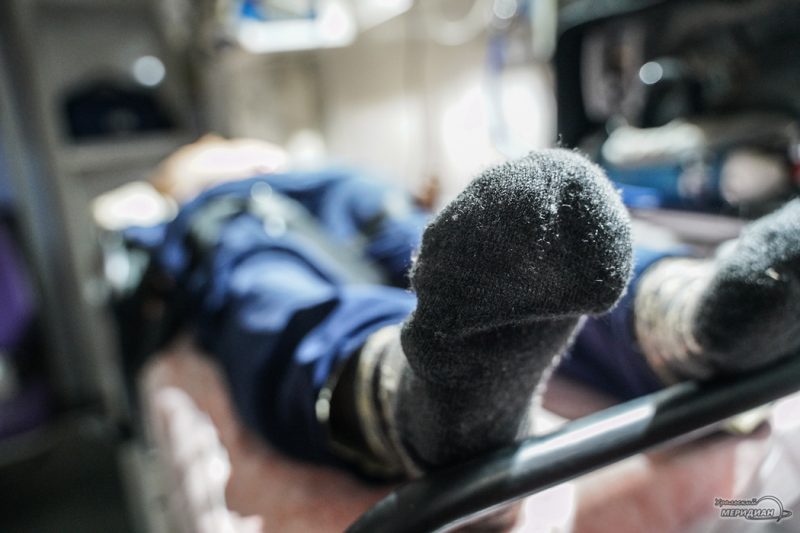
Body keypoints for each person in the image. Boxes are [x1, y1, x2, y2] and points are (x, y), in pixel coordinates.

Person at [120, 139, 800, 482]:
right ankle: (411, 395)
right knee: (274, 287)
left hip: (347, 199)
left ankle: (697, 315)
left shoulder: (315, 173)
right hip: (236, 222)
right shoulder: (199, 209)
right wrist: (194, 193)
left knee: (509, 252)